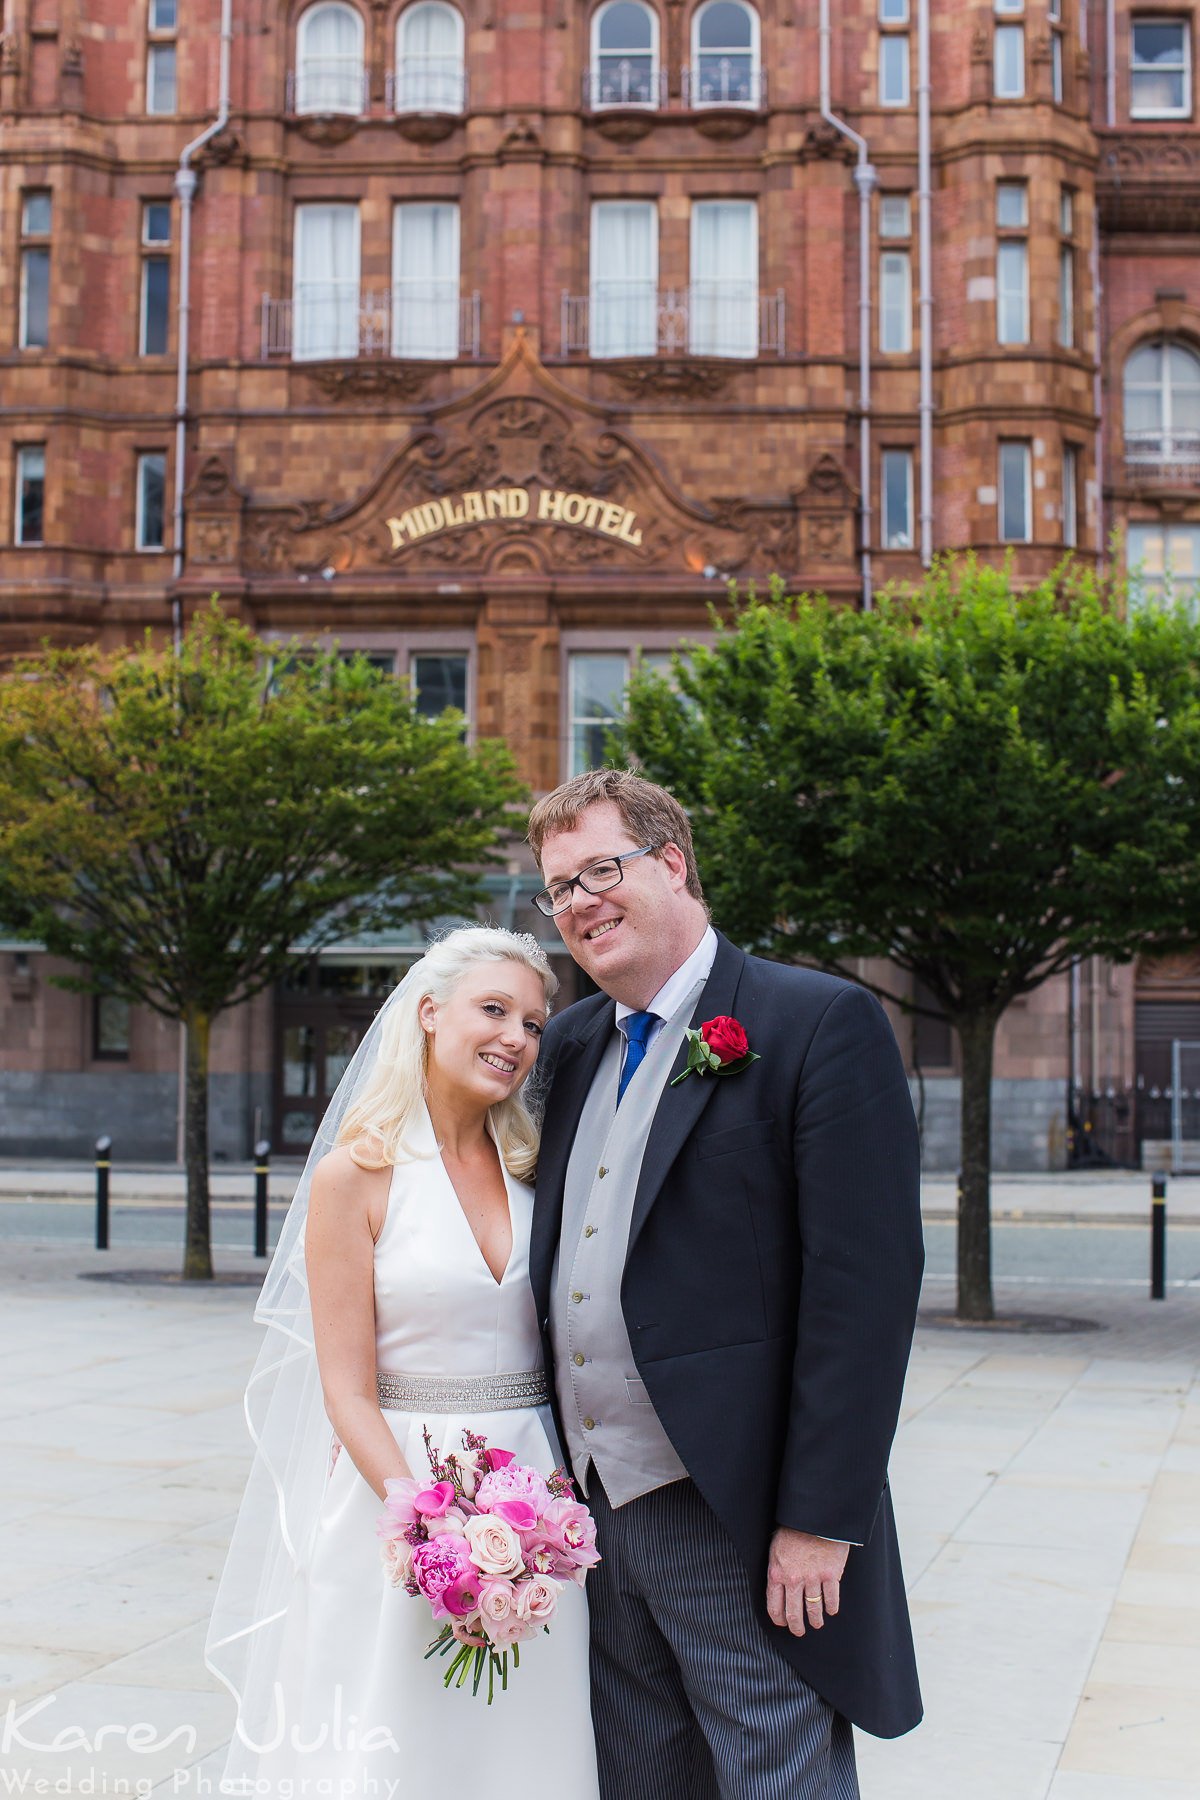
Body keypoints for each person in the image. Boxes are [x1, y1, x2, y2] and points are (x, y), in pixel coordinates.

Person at [525, 769, 925, 1800]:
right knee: (640, 1774)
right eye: (559, 888)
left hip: (735, 1508)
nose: (579, 903)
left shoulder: (814, 1021)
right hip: (594, 1506)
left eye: (600, 869)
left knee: (772, 1774)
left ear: (673, 863)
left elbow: (864, 1290)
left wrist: (820, 1520)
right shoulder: (568, 1045)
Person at [206, 926, 600, 1800]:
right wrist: (433, 1527)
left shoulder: (537, 1167)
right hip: (400, 1490)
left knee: (526, 1737)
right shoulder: (360, 1175)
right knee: (399, 1735)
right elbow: (344, 1388)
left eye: (534, 1023)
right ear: (427, 1013)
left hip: (536, 1495)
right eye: (493, 1010)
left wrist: (527, 1522)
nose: (517, 1038)